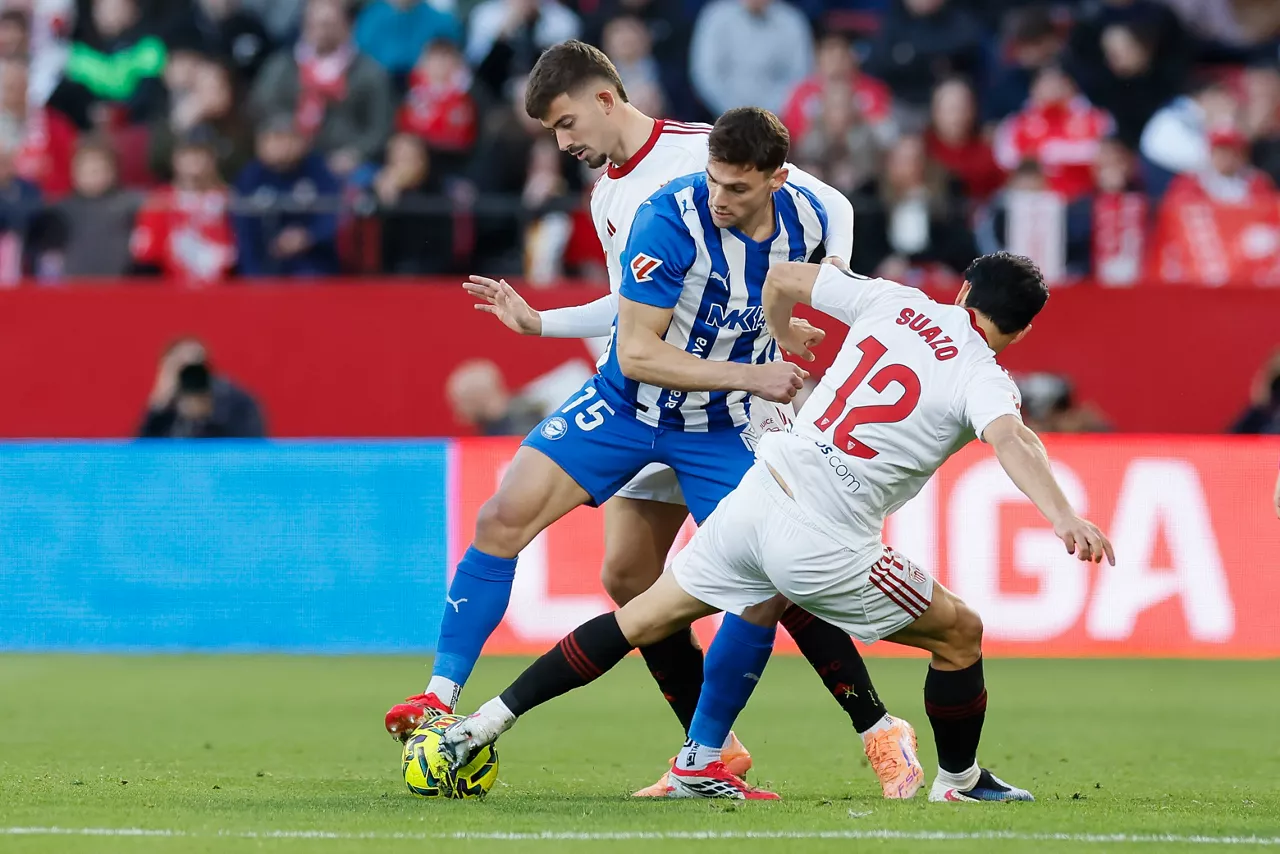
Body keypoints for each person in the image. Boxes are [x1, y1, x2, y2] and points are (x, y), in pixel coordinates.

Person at [386, 46, 920, 801]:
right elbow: (637, 308)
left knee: (777, 579)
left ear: (606, 99)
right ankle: (702, 748)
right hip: (637, 397)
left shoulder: (707, 153)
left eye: (567, 122)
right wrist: (545, 324)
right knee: (618, 572)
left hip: (730, 407)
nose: (563, 142)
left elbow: (817, 213)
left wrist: (797, 305)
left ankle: (878, 730)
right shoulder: (611, 194)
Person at [438, 252, 1115, 802]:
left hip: (758, 494)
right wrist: (1064, 515)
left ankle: (481, 724)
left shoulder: (896, 300)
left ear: (962, 287)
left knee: (638, 620)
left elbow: (785, 274)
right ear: (1020, 332)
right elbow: (1014, 441)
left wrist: (782, 328)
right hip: (826, 538)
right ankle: (959, 782)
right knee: (961, 632)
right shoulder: (984, 375)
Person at [138, 337, 265, 438]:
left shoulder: (235, 404)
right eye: (183, 368)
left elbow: (251, 450)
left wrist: (209, 415)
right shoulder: (164, 411)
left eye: (196, 367)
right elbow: (140, 457)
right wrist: (158, 404)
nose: (191, 375)